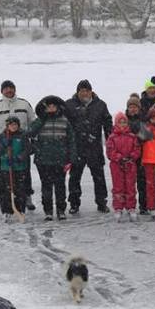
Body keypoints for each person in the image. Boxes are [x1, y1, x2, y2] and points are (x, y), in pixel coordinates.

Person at [64, 79, 112, 216]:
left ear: (91, 91)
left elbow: (108, 124)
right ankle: (74, 204)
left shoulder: (100, 105)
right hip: (77, 148)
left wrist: (111, 142)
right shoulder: (69, 105)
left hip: (94, 147)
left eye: (86, 90)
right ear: (77, 92)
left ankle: (101, 202)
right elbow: (63, 124)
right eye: (81, 91)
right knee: (74, 177)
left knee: (99, 177)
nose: (84, 93)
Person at [0, 81, 35, 210]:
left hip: (22, 143)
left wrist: (34, 141)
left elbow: (32, 122)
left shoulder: (24, 104)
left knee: (24, 173)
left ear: (15, 89)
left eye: (11, 88)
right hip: (5, 144)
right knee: (6, 174)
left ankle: (27, 196)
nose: (9, 91)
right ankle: (7, 199)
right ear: (2, 91)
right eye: (6, 89)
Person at [26, 96, 76, 222]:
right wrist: (42, 119)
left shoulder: (64, 121)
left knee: (60, 187)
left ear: (58, 107)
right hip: (43, 160)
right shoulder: (40, 120)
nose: (51, 108)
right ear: (45, 108)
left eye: (54, 106)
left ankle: (61, 210)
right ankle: (48, 211)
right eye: (49, 106)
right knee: (46, 187)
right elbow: (30, 133)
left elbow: (71, 141)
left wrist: (71, 158)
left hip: (60, 160)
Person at [106, 111, 142, 222]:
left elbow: (137, 149)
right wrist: (119, 157)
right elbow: (110, 151)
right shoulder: (112, 137)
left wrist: (131, 157)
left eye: (124, 122)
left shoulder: (132, 137)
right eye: (120, 122)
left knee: (130, 187)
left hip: (130, 165)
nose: (122, 124)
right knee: (118, 187)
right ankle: (118, 207)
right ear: (116, 123)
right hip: (117, 166)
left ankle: (131, 207)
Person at [0, 117, 30, 222]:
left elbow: (28, 149)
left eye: (15, 124)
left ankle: (21, 210)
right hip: (6, 168)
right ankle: (7, 211)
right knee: (6, 190)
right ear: (7, 126)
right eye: (11, 125)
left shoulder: (23, 135)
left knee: (20, 189)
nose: (13, 127)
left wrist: (19, 157)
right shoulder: (2, 136)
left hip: (20, 167)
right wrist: (4, 146)